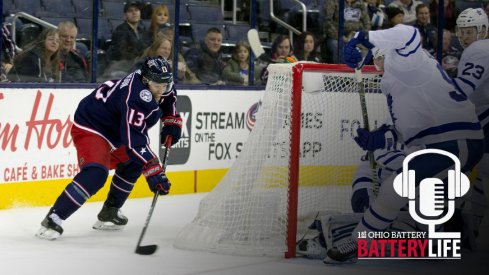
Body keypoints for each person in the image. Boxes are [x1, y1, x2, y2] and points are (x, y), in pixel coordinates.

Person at [324, 23, 484, 264]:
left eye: (379, 57)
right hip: (443, 144)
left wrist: (364, 37)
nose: (377, 64)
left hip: (456, 142)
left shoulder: (407, 64)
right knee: (402, 189)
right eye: (374, 60)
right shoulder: (393, 84)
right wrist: (378, 138)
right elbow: (404, 131)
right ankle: (436, 240)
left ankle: (359, 243)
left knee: (397, 188)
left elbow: (409, 34)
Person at [36, 56, 182, 240]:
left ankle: (110, 212)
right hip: (92, 126)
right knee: (96, 174)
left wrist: (172, 122)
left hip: (116, 128)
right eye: (157, 86)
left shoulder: (158, 81)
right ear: (145, 81)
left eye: (165, 85)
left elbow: (169, 100)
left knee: (135, 162)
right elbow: (134, 141)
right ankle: (54, 218)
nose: (161, 90)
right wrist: (153, 169)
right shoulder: (135, 96)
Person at [453, 8, 489, 239]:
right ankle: (475, 227)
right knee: (481, 174)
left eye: (469, 31)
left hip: (485, 118)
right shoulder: (478, 49)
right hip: (482, 117)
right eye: (461, 32)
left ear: (483, 30)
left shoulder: (480, 49)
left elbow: (464, 89)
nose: (464, 37)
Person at [106, 1, 147, 76]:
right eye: (130, 11)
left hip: (139, 64)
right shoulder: (121, 30)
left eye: (136, 10)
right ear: (125, 15)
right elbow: (121, 53)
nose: (134, 13)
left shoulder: (142, 30)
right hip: (125, 66)